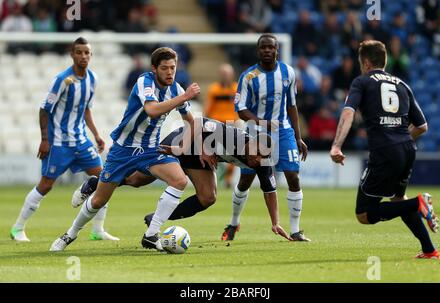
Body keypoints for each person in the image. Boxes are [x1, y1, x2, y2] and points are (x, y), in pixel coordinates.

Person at [49, 47, 201, 252]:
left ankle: (150, 235)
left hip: (151, 149)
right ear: (154, 68)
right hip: (124, 149)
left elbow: (191, 121)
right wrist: (183, 98)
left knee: (180, 180)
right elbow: (152, 110)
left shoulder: (177, 89)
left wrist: (182, 146)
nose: (169, 72)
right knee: (99, 201)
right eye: (164, 68)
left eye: (173, 68)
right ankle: (70, 234)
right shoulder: (144, 82)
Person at [71, 117, 292, 241]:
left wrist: (275, 223)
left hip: (198, 157)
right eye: (255, 155)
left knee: (208, 197)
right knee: (137, 180)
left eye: (260, 159)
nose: (255, 161)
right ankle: (95, 182)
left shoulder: (263, 162)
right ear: (251, 144)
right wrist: (206, 147)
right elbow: (198, 122)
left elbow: (269, 192)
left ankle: (155, 219)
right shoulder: (233, 135)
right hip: (183, 140)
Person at [330, 40, 440, 259]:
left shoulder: (361, 82)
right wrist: (399, 140)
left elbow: (348, 112)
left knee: (363, 214)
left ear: (367, 63)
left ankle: (419, 202)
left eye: (361, 63)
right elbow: (422, 126)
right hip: (408, 149)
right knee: (398, 201)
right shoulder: (402, 84)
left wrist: (336, 145)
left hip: (384, 152)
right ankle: (430, 250)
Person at [10, 37, 118, 243]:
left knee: (106, 179)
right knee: (46, 185)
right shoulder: (62, 80)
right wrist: (44, 139)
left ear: (91, 55)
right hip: (59, 143)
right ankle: (18, 228)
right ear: (72, 54)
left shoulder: (93, 79)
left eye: (87, 52)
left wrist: (95, 134)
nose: (83, 56)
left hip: (81, 141)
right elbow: (44, 109)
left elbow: (86, 109)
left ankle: (98, 230)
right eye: (79, 52)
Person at [222, 34, 310, 242]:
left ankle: (296, 230)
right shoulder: (248, 77)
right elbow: (240, 109)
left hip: (284, 130)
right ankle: (234, 222)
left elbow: (292, 106)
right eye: (264, 48)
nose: (268, 51)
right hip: (256, 133)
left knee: (293, 176)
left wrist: (298, 138)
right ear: (258, 51)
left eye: (271, 47)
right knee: (245, 179)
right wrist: (261, 122)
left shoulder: (288, 72)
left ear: (277, 50)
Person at [204, 63, 239, 188]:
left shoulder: (237, 89)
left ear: (232, 75)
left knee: (234, 154)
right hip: (216, 124)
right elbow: (208, 108)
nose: (225, 76)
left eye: (227, 74)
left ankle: (228, 179)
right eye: (223, 74)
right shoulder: (214, 89)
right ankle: (211, 178)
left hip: (231, 124)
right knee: (210, 152)